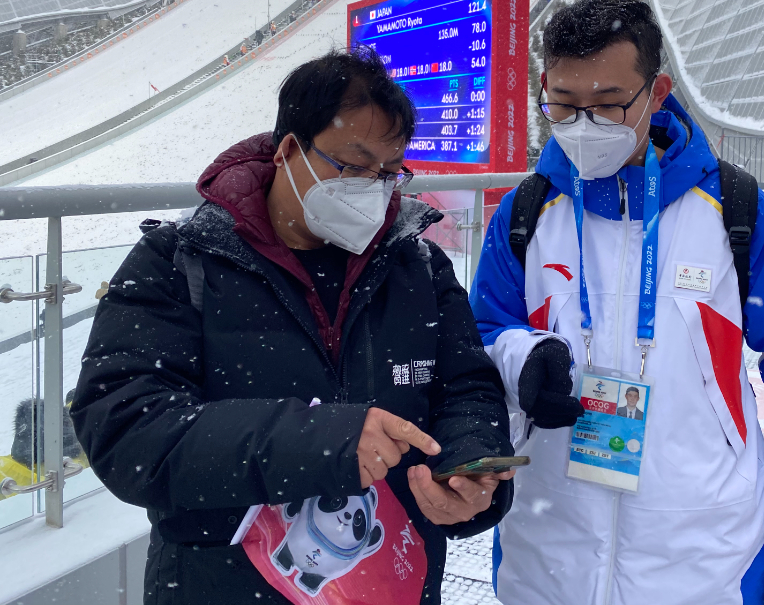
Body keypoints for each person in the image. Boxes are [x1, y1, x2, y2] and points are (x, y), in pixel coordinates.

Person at [71, 48, 515, 605]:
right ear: (287, 151)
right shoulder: (181, 262)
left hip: (390, 582)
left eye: (388, 172)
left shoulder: (417, 266)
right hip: (222, 586)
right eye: (353, 166)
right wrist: (321, 441)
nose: (372, 188)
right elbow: (125, 428)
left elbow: (467, 387)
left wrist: (467, 467)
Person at [471, 0, 764, 605]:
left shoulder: (734, 211)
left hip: (706, 553)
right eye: (563, 104)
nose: (584, 125)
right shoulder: (526, 214)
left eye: (609, 104)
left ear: (657, 91)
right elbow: (482, 340)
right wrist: (523, 356)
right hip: (549, 551)